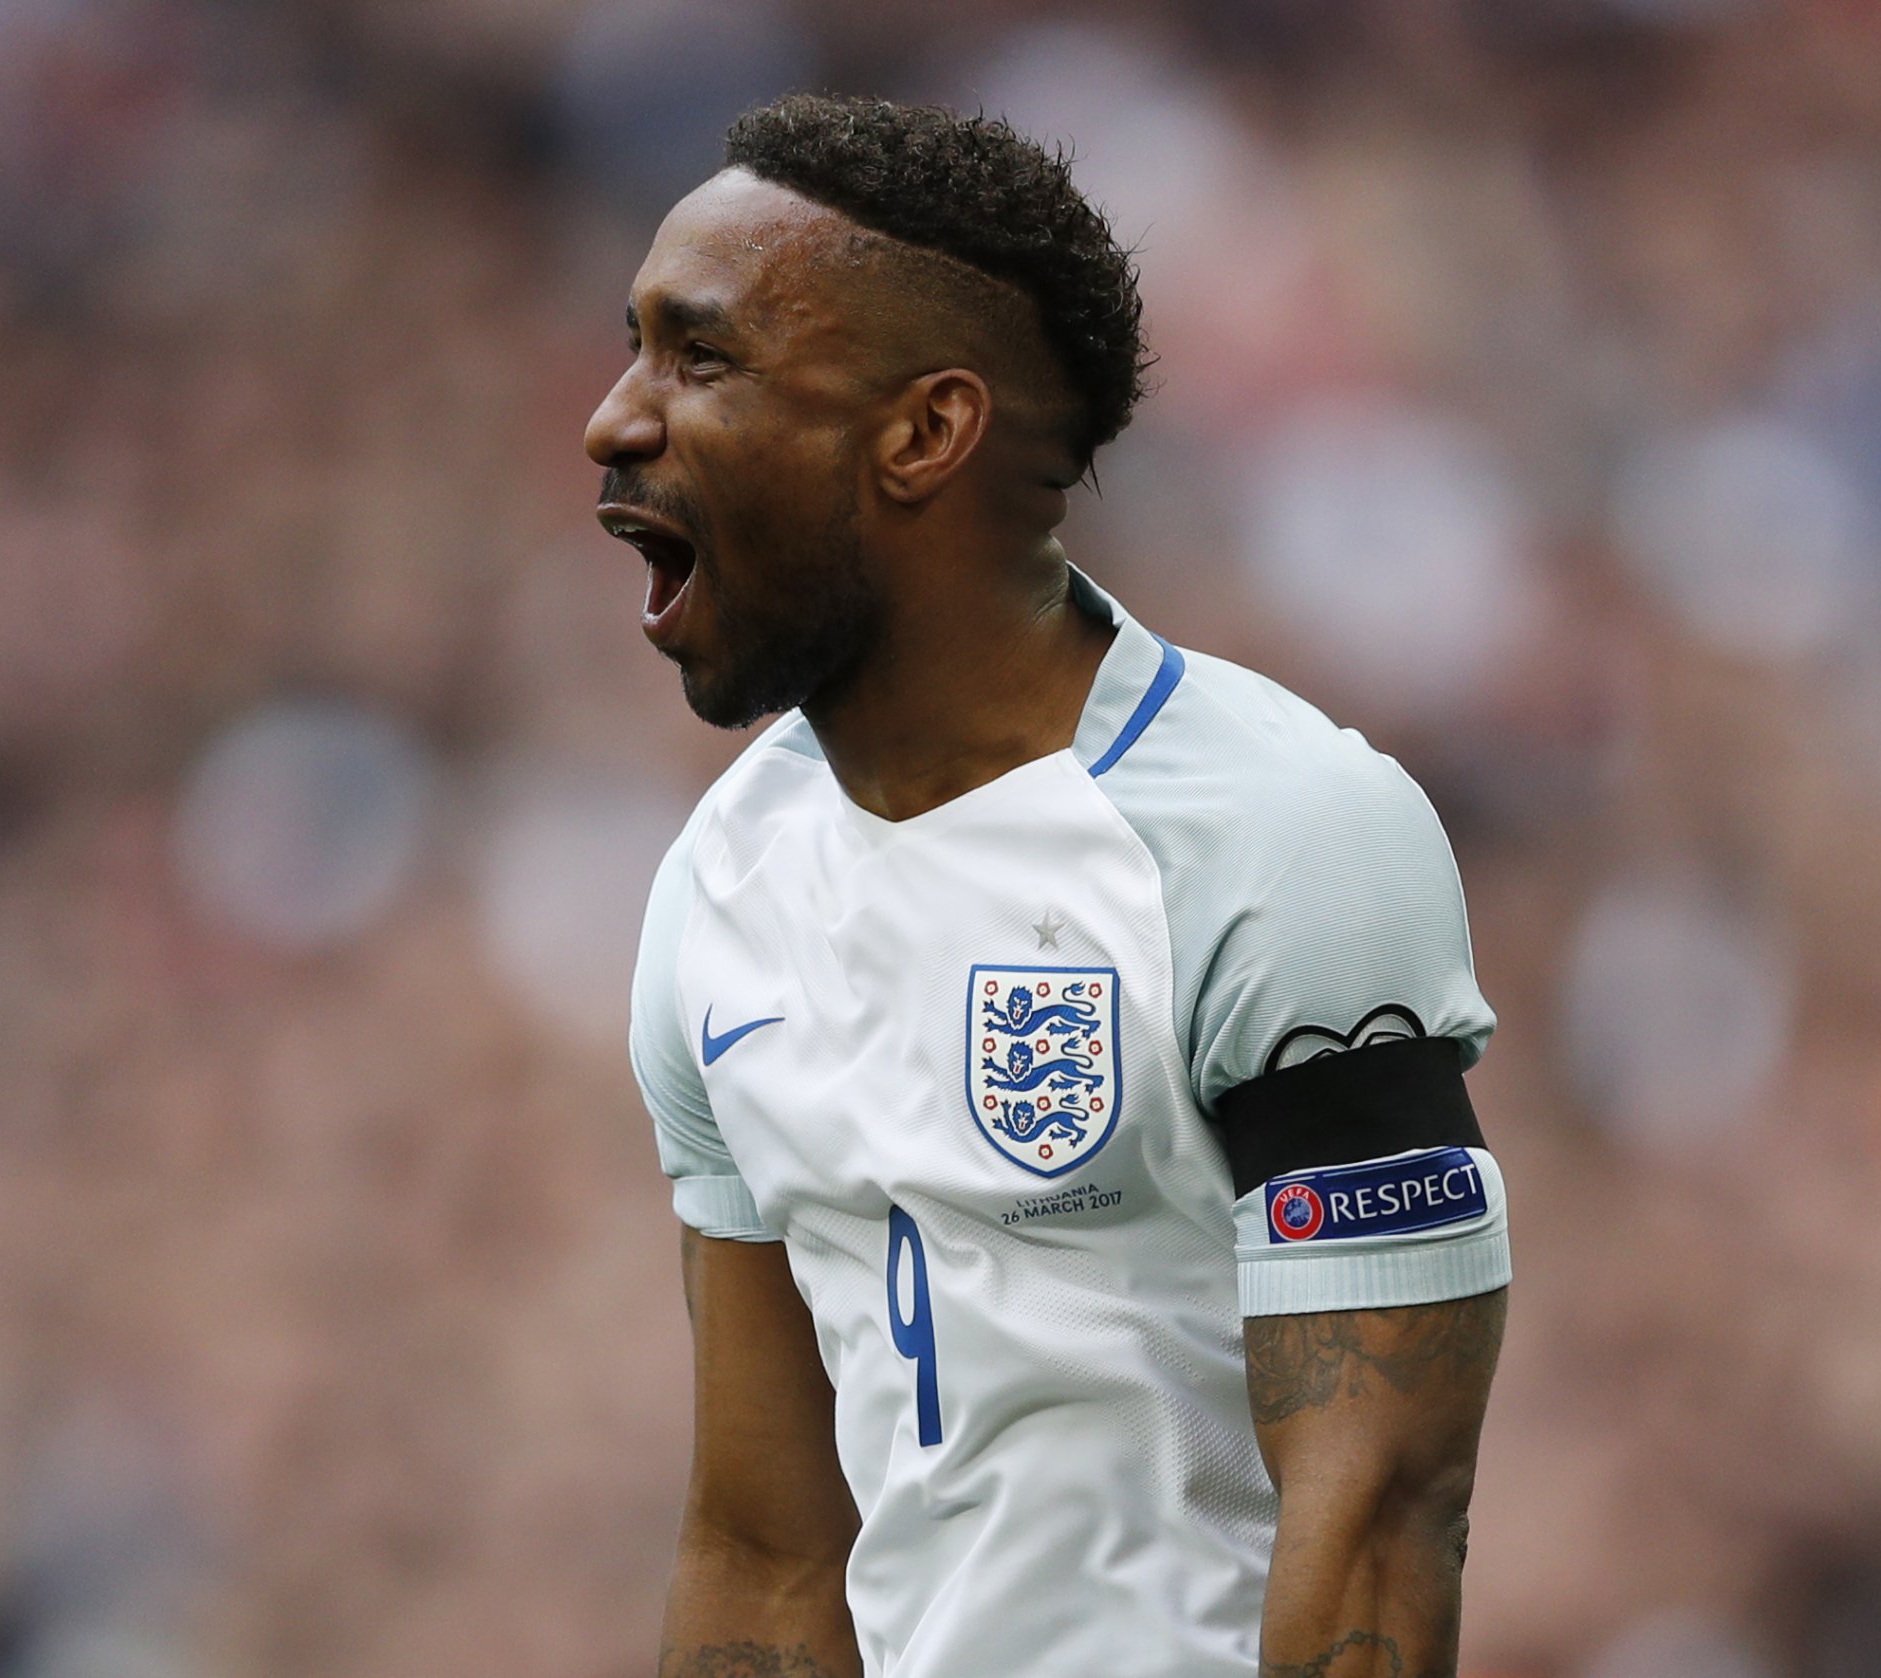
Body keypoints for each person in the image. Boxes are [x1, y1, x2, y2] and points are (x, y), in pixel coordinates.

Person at [586, 93, 1508, 1678]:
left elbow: (1381, 1522)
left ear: (926, 432)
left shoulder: (1283, 839)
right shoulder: (715, 892)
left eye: (703, 356)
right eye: (636, 347)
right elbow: (763, 1546)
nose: (617, 417)